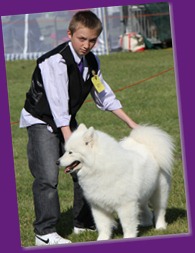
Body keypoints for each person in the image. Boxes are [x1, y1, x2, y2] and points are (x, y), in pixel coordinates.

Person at [19, 10, 138, 246]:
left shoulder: (92, 61)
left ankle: (82, 222)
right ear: (70, 34)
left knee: (85, 169)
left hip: (65, 118)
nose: (86, 45)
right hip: (42, 119)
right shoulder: (55, 61)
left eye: (92, 40)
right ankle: (44, 232)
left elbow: (104, 96)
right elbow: (57, 104)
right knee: (47, 177)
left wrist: (131, 123)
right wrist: (72, 145)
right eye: (81, 39)